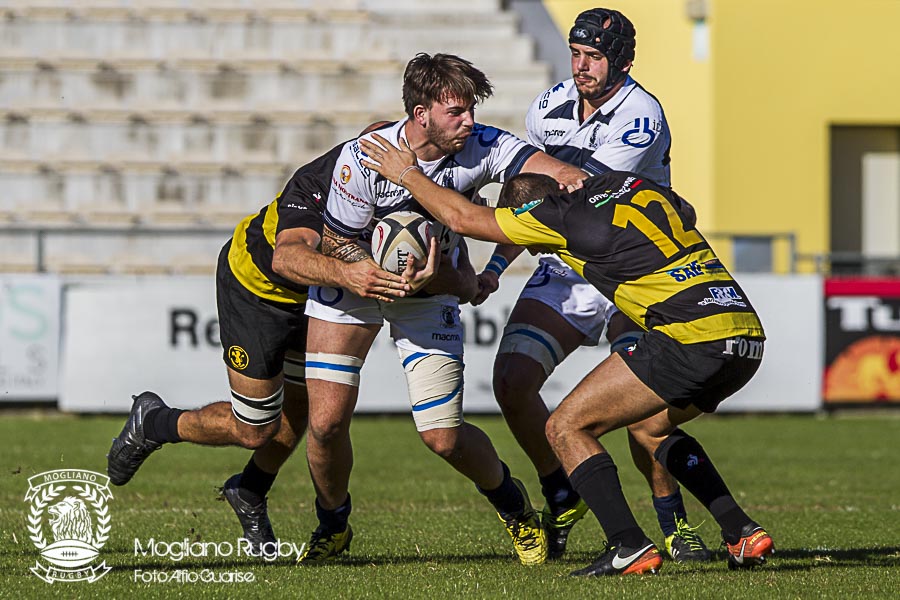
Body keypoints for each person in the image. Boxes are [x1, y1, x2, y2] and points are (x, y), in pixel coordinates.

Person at [357, 132, 776, 576]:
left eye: (533, 242)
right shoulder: (630, 185)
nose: (537, 250)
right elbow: (685, 211)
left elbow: (461, 218)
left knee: (565, 427)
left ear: (527, 212)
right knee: (652, 429)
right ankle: (741, 532)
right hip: (743, 334)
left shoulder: (551, 216)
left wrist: (406, 172)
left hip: (688, 336)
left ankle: (627, 545)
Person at [298, 52, 587, 566]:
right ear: (420, 112)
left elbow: (544, 168)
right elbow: (337, 241)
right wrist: (374, 271)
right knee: (324, 424)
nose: (469, 121)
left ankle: (513, 505)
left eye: (472, 108)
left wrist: (573, 176)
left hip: (432, 289)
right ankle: (333, 522)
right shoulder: (364, 157)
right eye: (457, 111)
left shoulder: (482, 145)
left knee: (443, 437)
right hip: (355, 283)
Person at [105, 125, 420, 556]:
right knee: (255, 428)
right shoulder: (319, 183)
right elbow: (286, 257)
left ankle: (250, 489)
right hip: (257, 292)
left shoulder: (403, 192)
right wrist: (351, 274)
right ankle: (154, 422)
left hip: (314, 300)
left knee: (303, 410)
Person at [471, 7, 711, 562]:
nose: (582, 66)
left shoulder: (641, 115)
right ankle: (561, 488)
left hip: (630, 272)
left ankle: (672, 523)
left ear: (622, 61)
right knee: (511, 380)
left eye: (595, 57)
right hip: (566, 270)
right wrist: (493, 269)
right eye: (576, 54)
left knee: (641, 411)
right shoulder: (548, 106)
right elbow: (530, 203)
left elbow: (577, 198)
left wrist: (507, 198)